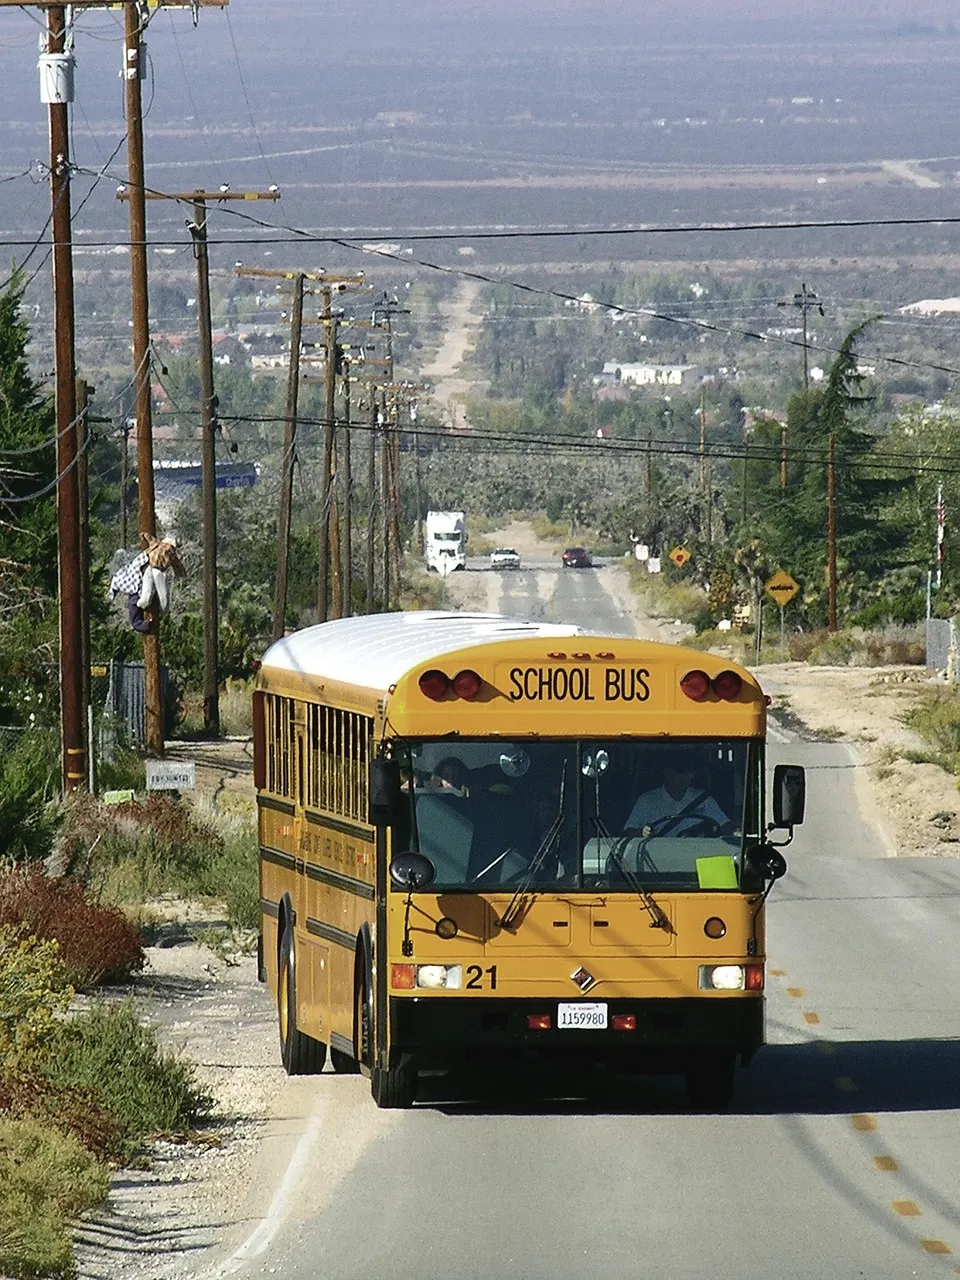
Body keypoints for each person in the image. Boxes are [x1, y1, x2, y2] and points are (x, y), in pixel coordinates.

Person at [624, 748, 730, 836]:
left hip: (697, 857)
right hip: (657, 858)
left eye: (689, 772)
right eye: (680, 772)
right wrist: (642, 832)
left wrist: (736, 832)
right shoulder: (647, 801)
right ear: (667, 774)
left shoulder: (704, 800)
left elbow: (724, 825)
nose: (686, 777)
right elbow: (628, 832)